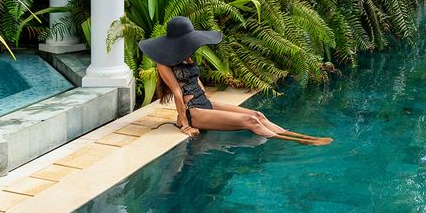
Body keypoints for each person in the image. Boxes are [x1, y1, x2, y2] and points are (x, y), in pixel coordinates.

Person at [139, 17, 333, 146]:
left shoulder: (188, 54)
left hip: (204, 103)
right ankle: (296, 142)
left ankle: (299, 135)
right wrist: (184, 123)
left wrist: (209, 102)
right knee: (250, 122)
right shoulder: (163, 64)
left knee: (258, 114)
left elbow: (196, 81)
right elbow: (177, 92)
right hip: (193, 112)